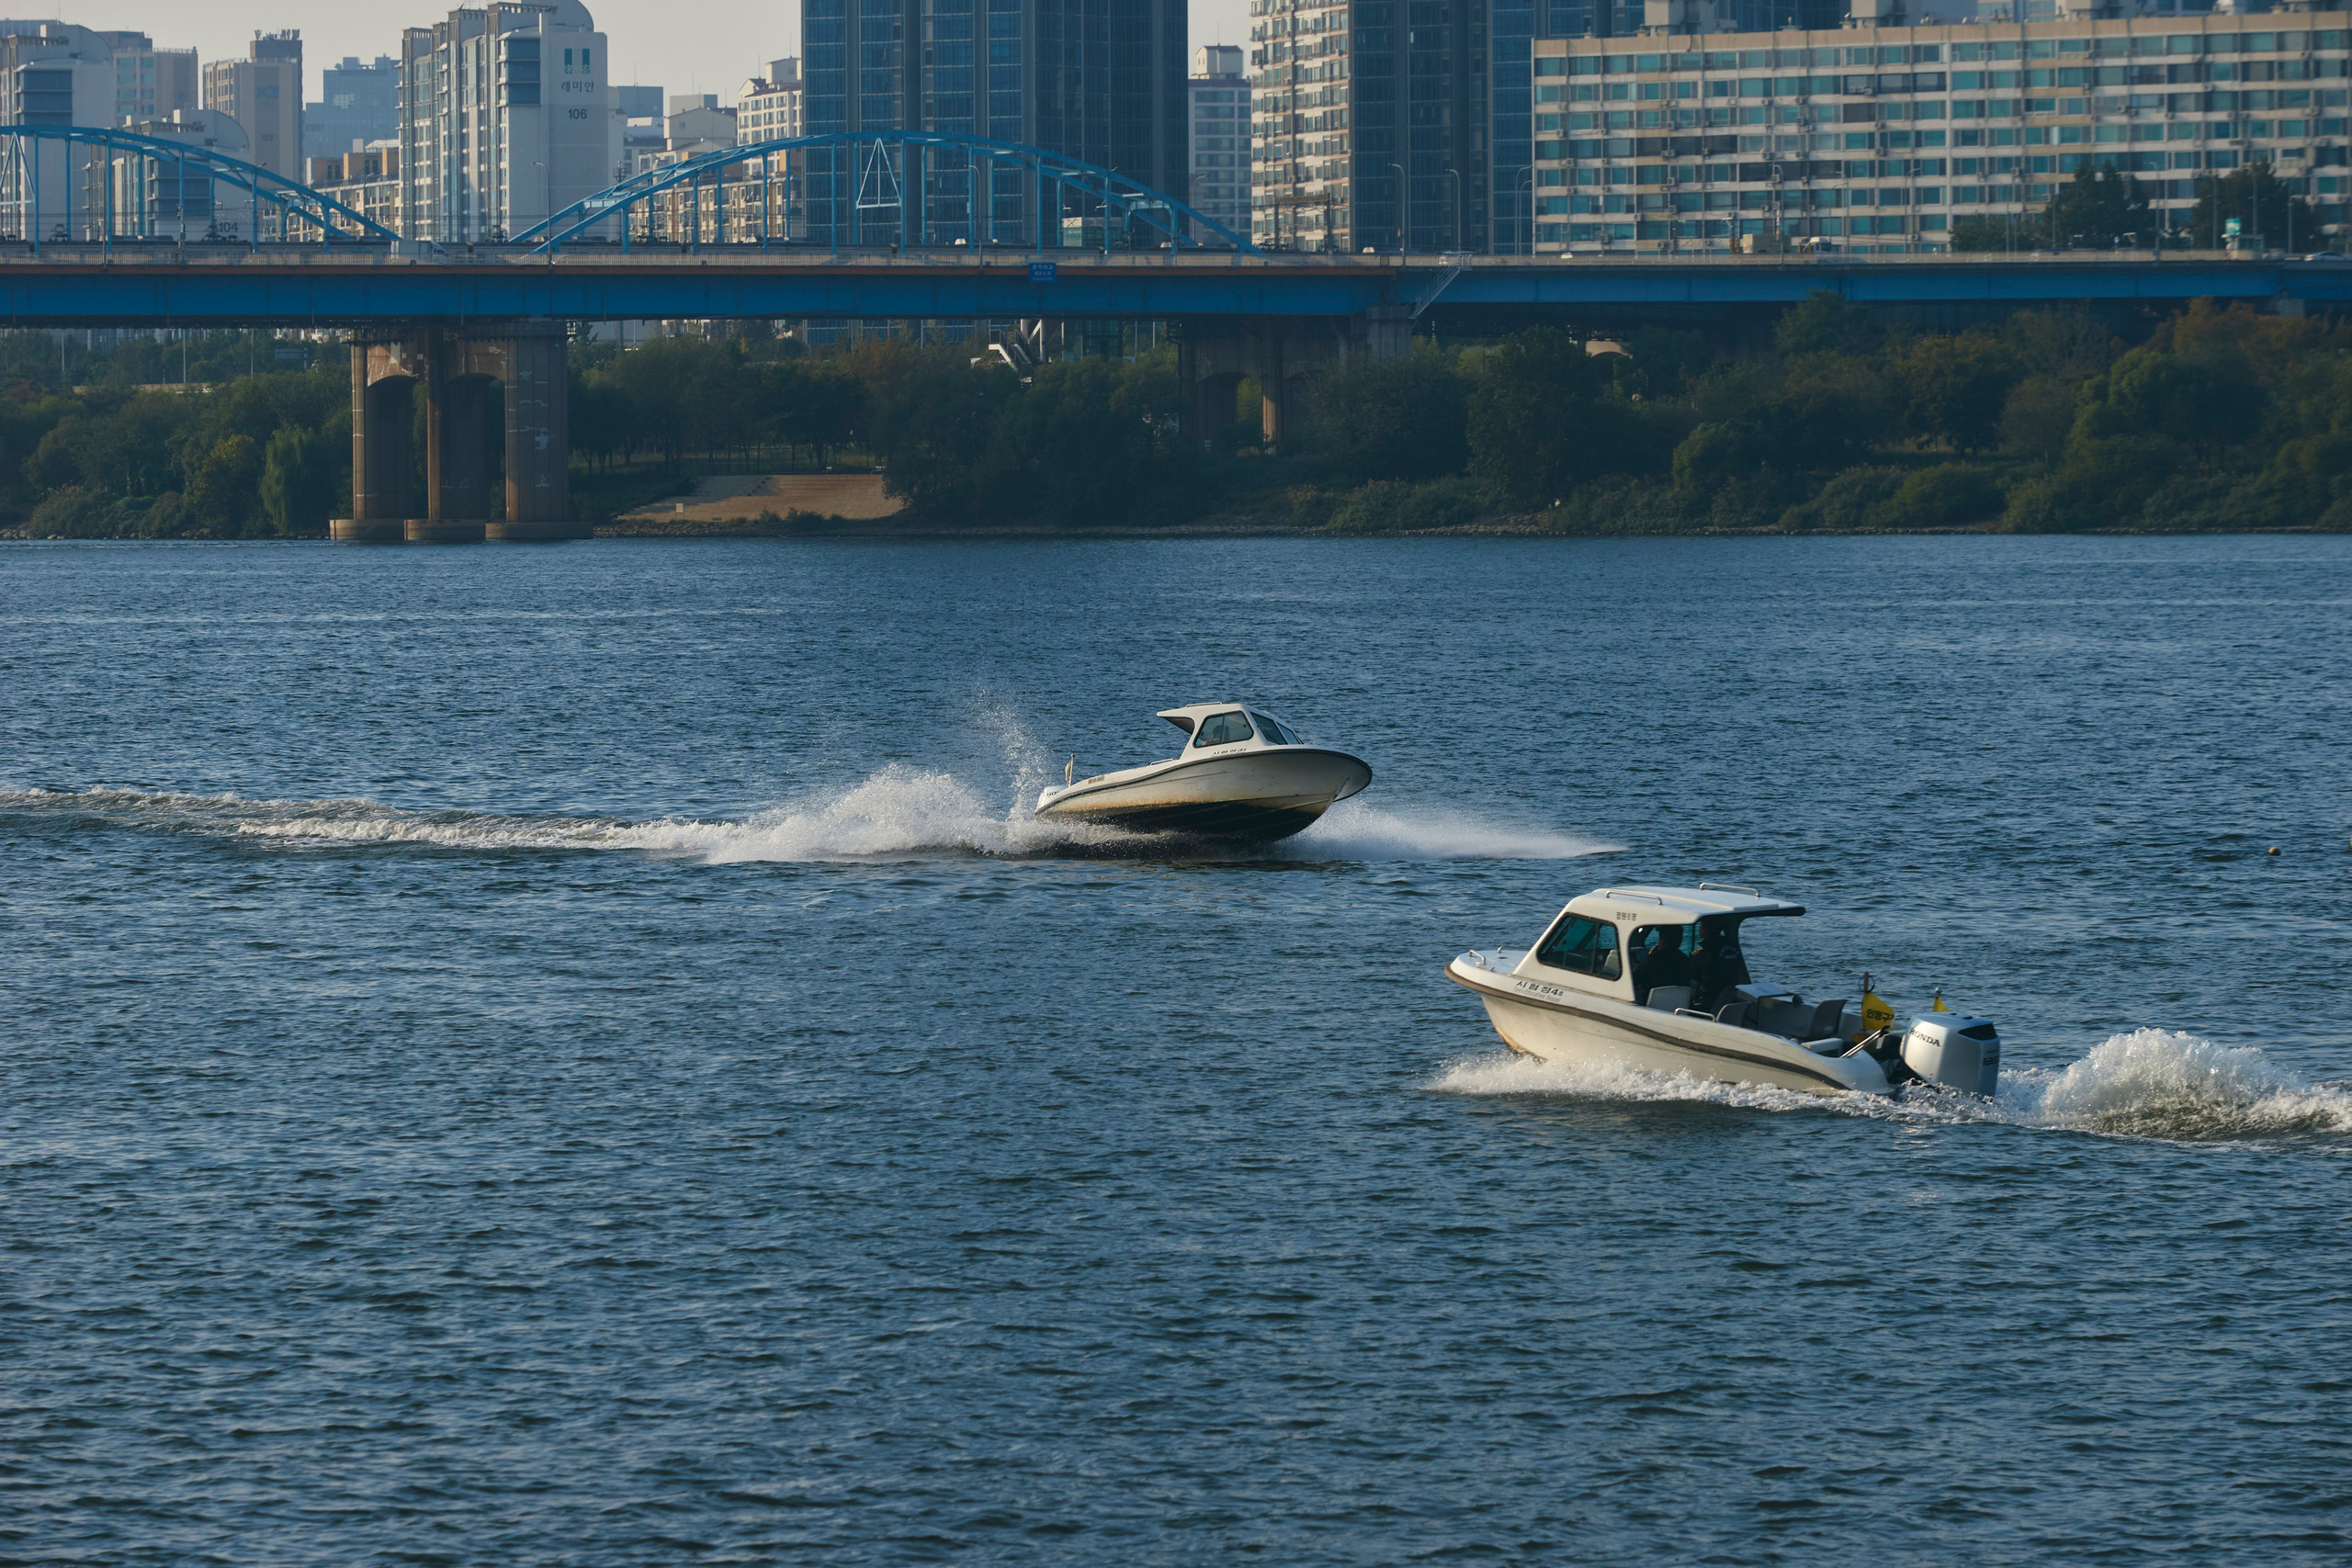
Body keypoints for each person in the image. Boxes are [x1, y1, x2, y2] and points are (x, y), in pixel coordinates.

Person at [1632, 925, 1692, 1005]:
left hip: (1652, 1006)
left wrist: (1649, 957)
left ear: (1662, 940)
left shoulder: (1653, 959)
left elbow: (1635, 980)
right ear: (1680, 940)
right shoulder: (1686, 960)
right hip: (1680, 1007)